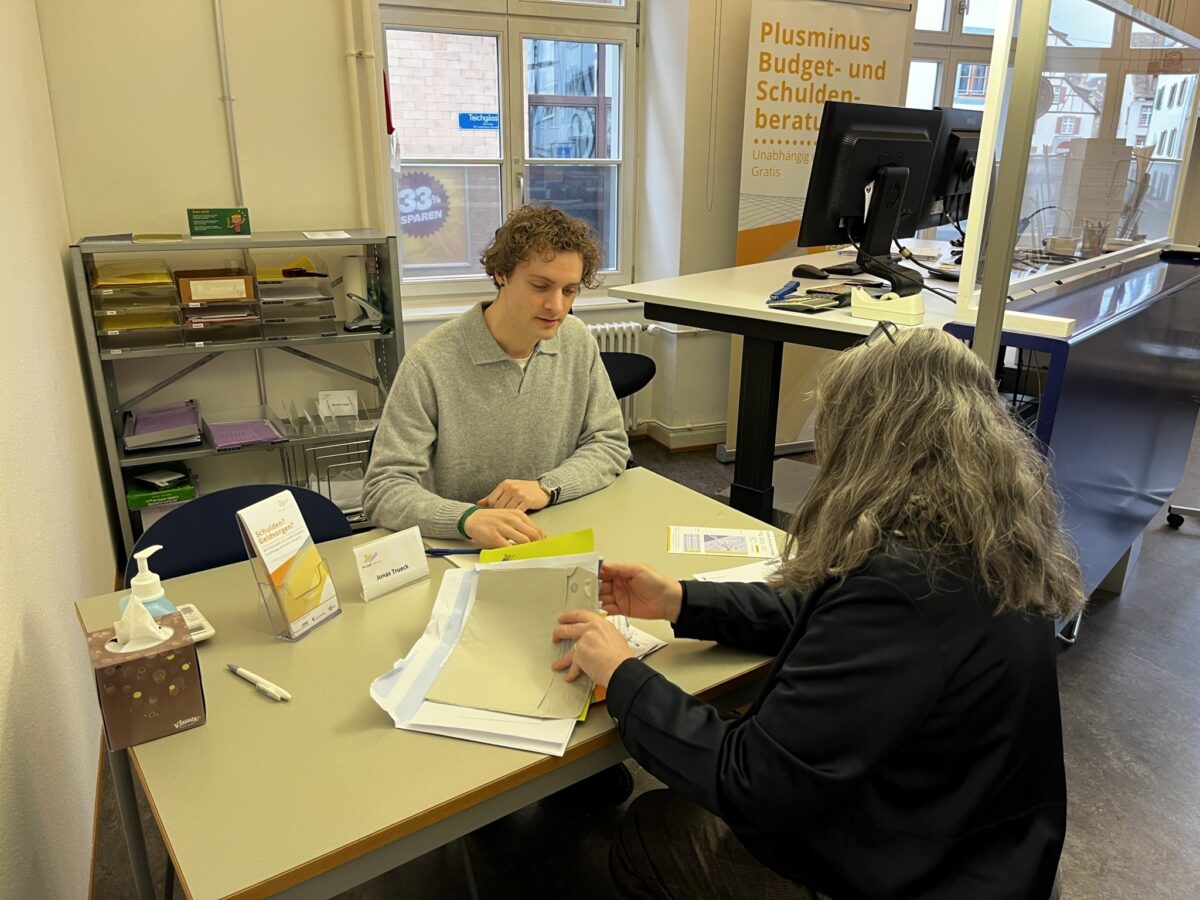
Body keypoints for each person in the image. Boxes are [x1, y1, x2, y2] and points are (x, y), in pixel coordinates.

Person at [551, 324, 1083, 899]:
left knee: (656, 831)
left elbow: (749, 780)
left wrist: (624, 674)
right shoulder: (980, 536)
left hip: (914, 875)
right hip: (984, 846)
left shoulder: (899, 588)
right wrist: (681, 601)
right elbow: (822, 613)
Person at [363, 205, 630, 549]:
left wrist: (547, 486)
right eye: (540, 286)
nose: (557, 306)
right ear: (502, 274)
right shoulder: (430, 362)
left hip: (554, 532)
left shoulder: (576, 340)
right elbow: (384, 488)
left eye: (569, 290)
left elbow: (609, 443)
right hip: (464, 547)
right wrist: (466, 519)